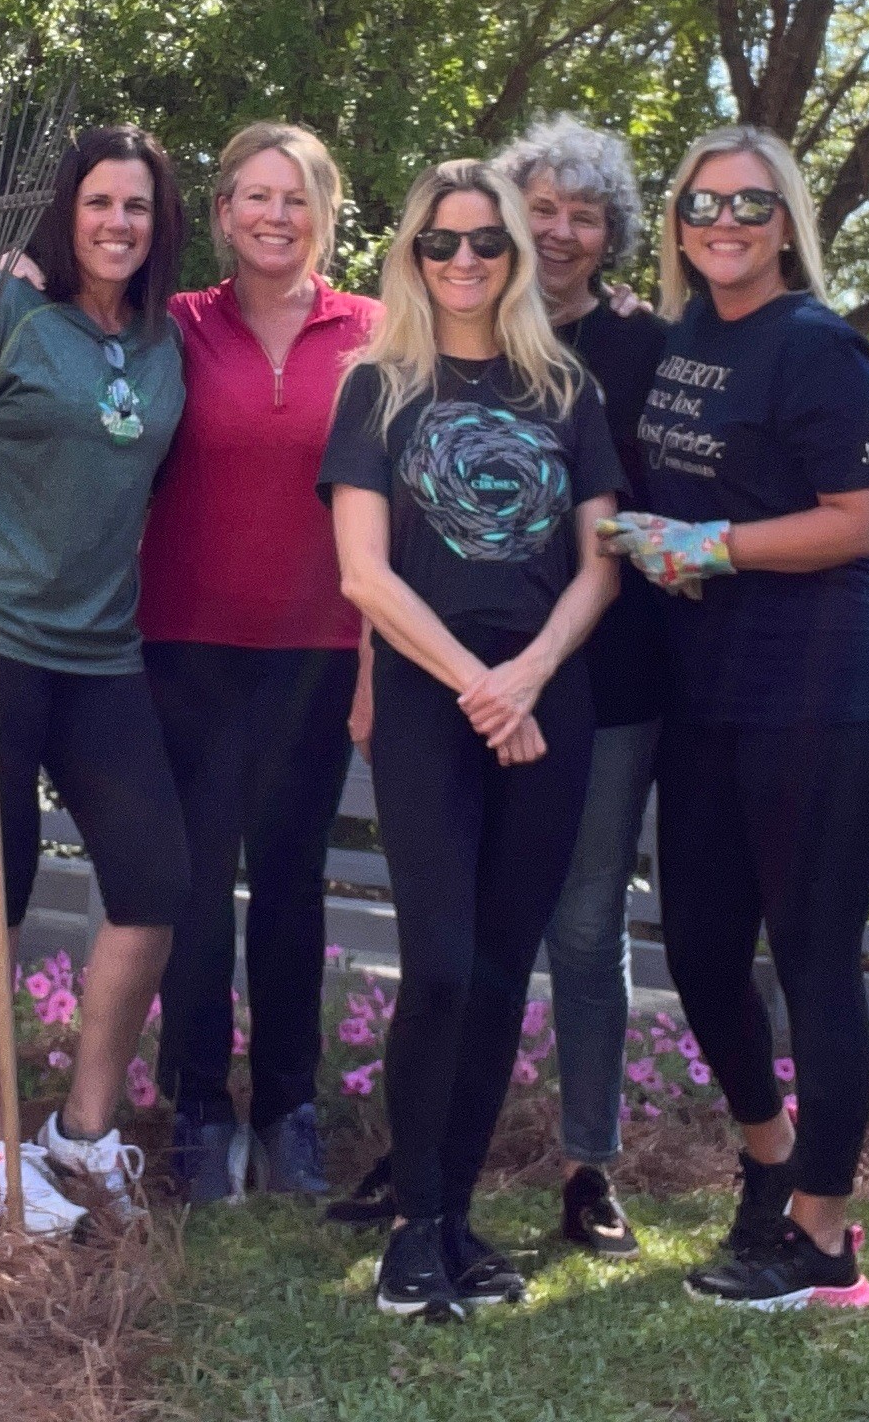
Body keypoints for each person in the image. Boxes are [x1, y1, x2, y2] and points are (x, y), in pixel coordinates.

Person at [599, 125, 869, 1310]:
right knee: (697, 946)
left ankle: (822, 1238)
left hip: (829, 683)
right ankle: (772, 1158)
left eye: (749, 203)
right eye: (702, 204)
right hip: (712, 686)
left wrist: (711, 545)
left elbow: (862, 518)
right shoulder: (681, 337)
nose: (724, 222)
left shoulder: (819, 346)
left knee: (815, 953)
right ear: (679, 224)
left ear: (786, 222)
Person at [320, 158, 624, 1319]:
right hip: (429, 704)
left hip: (549, 705)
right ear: (411, 253)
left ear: (515, 256)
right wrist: (478, 688)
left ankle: (452, 1217)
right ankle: (410, 1228)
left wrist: (529, 676)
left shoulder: (567, 389)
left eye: (486, 242)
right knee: (442, 962)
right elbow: (363, 572)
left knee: (501, 970)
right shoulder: (377, 386)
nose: (463, 261)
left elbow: (601, 563)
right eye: (440, 242)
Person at [0, 125, 191, 1237]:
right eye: (99, 202)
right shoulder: (2, 306)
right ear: (68, 211)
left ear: (159, 223)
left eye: (137, 206)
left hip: (100, 652)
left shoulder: (162, 341)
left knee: (155, 886)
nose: (117, 222)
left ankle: (81, 1130)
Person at [137, 123, 380, 1203]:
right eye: (256, 196)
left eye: (298, 197)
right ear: (223, 211)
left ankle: (288, 1107)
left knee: (290, 883)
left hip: (317, 655)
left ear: (325, 214)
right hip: (183, 646)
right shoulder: (174, 324)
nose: (276, 215)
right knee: (191, 884)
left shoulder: (377, 331)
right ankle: (197, 1107)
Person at [492, 114, 666, 1257]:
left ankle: (588, 1164)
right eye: (542, 208)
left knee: (588, 921)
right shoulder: (466, 321)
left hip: (612, 677)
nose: (559, 232)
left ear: (614, 235)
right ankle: (438, 1139)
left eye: (585, 216)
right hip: (478, 669)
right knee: (471, 913)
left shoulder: (649, 349)